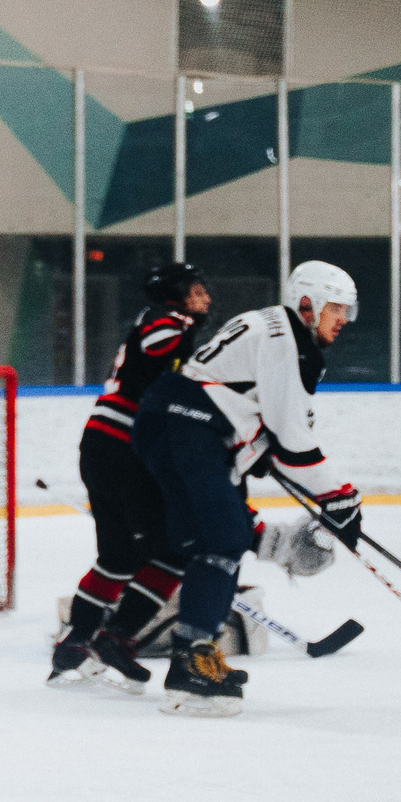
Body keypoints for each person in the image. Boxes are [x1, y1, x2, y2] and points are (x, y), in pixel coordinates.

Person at [128, 261, 359, 715]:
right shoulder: (286, 340)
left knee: (219, 541)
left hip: (183, 425)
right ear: (307, 303)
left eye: (347, 311)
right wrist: (341, 497)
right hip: (188, 427)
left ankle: (196, 656)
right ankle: (191, 668)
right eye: (336, 309)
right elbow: (293, 440)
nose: (343, 320)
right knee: (224, 538)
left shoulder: (273, 325)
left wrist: (262, 453)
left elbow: (259, 417)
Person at [50, 260, 212, 690]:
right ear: (176, 294)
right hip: (123, 450)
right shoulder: (167, 319)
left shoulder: (168, 321)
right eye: (197, 290)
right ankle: (116, 639)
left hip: (103, 444)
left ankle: (73, 648)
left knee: (119, 557)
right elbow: (160, 344)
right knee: (175, 552)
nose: (206, 298)